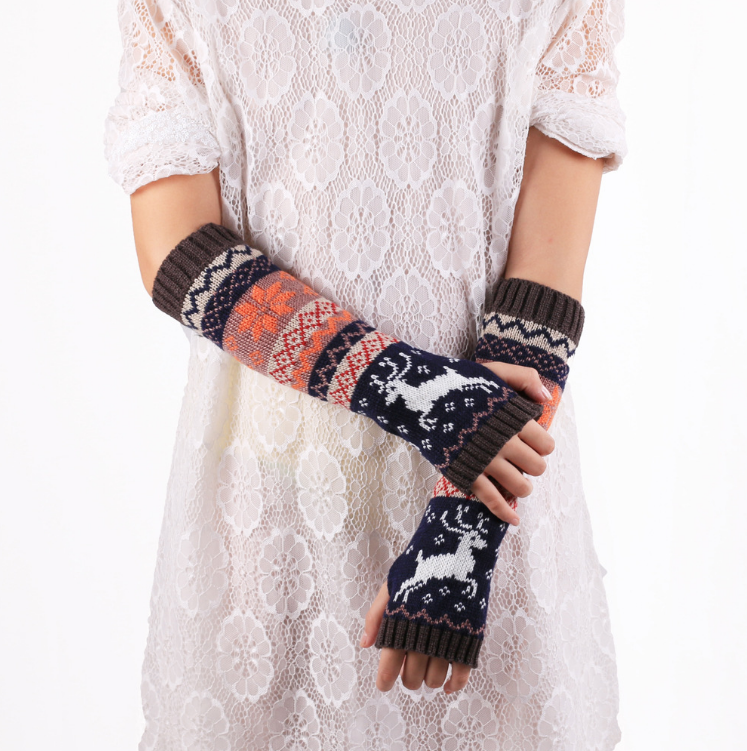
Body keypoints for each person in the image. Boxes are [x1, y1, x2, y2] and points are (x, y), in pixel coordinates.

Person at [104, 0, 627, 747]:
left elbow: (546, 267)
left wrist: (463, 530)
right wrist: (428, 398)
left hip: (497, 497)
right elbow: (179, 253)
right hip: (274, 511)